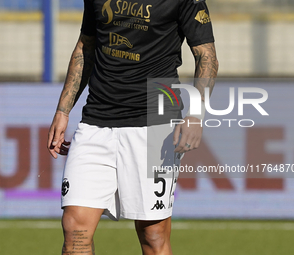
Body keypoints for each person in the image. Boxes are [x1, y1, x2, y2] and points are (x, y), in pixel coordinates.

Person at [48, 0, 218, 254]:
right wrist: (63, 110)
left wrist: (196, 113)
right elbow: (86, 46)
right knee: (75, 230)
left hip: (155, 125)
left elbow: (206, 55)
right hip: (96, 121)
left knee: (153, 235)